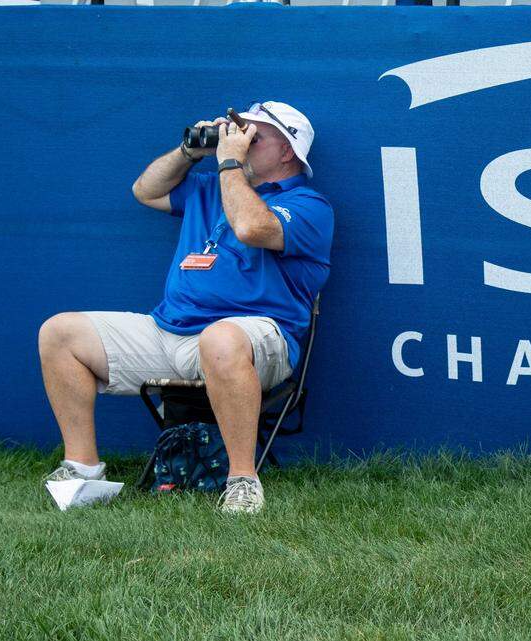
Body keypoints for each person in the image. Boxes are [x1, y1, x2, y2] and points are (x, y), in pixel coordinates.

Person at [37, 101, 333, 514]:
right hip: (170, 331)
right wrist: (190, 152)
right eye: (237, 131)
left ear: (288, 152)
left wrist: (229, 165)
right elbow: (146, 191)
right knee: (60, 333)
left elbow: (250, 227)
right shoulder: (209, 187)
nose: (240, 140)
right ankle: (82, 470)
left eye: (254, 135)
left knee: (221, 338)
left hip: (254, 341)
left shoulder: (309, 205)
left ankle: (243, 481)